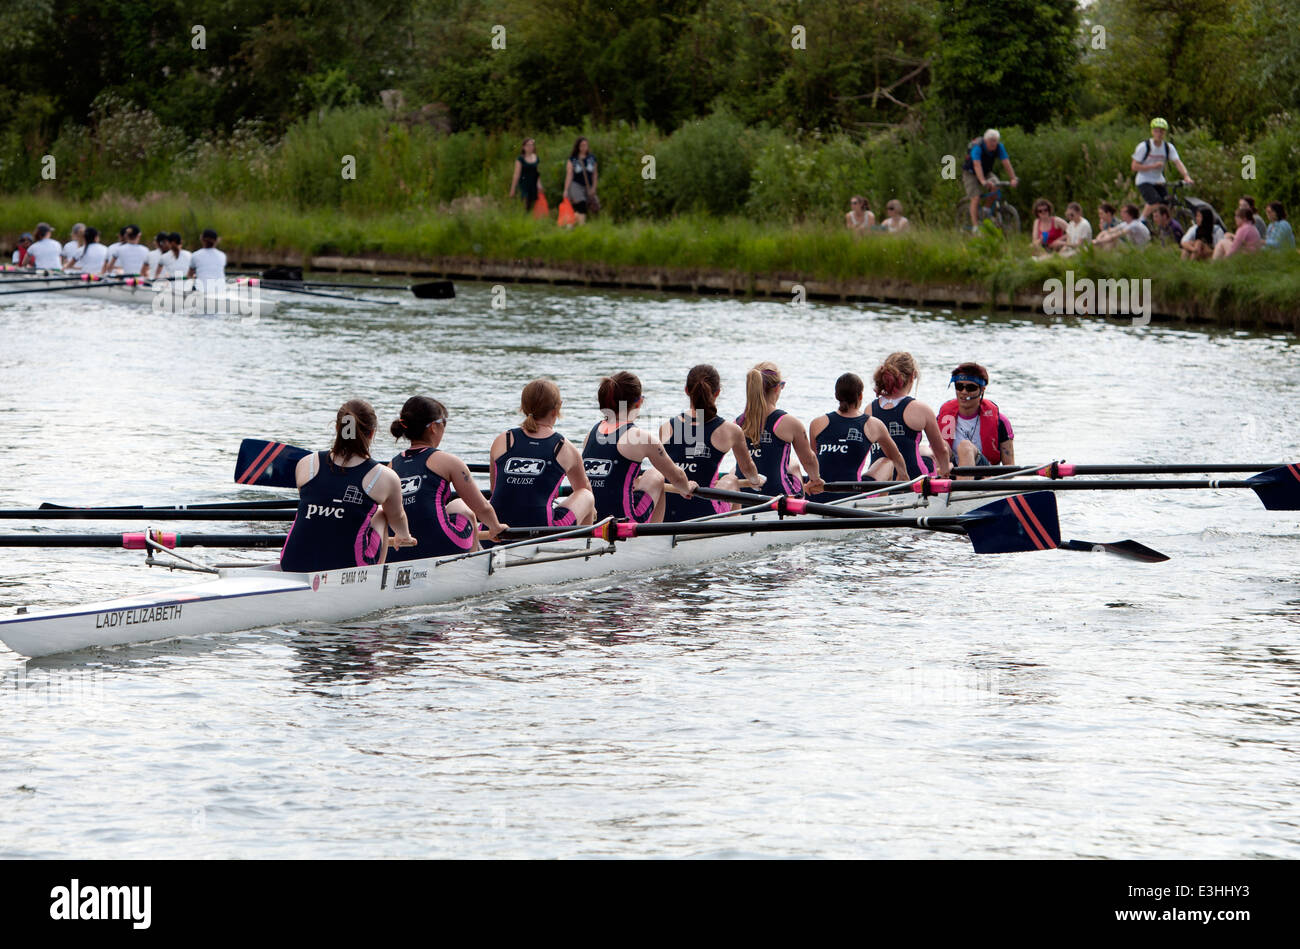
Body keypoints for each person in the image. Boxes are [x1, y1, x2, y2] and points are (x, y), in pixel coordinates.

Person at [279, 399, 415, 573]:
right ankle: (374, 581)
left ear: (337, 428)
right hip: (349, 567)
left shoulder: (307, 463)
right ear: (372, 433)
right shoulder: (385, 476)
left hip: (292, 563)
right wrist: (404, 536)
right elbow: (398, 517)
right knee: (382, 515)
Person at [388, 396, 504, 558]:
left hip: (398, 550)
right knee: (459, 505)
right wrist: (495, 527)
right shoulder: (448, 462)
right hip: (441, 546)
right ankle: (473, 565)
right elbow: (481, 507)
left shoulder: (391, 466)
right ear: (434, 427)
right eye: (444, 422)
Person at [583, 371, 696, 522]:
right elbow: (677, 477)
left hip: (592, 521)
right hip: (624, 523)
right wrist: (686, 487)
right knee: (656, 475)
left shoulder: (591, 434)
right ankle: (655, 539)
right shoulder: (640, 437)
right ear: (639, 402)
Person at [658, 364, 763, 522]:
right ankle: (733, 534)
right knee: (731, 480)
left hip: (668, 512)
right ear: (717, 392)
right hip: (704, 514)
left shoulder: (666, 427)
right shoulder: (730, 430)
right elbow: (747, 469)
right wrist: (755, 482)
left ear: (686, 390)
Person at [488, 379, 595, 529]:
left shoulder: (502, 440)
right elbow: (583, 488)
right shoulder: (565, 447)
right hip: (543, 535)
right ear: (557, 409)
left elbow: (494, 490)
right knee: (587, 496)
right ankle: (587, 546)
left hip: (494, 531)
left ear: (523, 407)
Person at [807, 372, 907, 502]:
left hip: (818, 497)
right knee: (887, 462)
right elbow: (896, 457)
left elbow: (812, 461)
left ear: (837, 396)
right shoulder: (873, 424)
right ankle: (881, 512)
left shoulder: (817, 423)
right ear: (860, 396)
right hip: (854, 497)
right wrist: (904, 479)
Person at [736, 362, 825, 498]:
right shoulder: (789, 422)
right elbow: (809, 460)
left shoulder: (736, 423)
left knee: (732, 472)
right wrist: (816, 480)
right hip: (777, 496)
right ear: (778, 387)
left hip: (743, 496)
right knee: (794, 465)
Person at [865, 351, 951, 480]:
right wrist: (945, 473)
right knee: (929, 454)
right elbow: (941, 450)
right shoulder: (921, 409)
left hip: (880, 482)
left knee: (923, 450)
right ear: (913, 376)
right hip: (914, 480)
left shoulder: (869, 409)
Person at [936, 362, 1015, 477]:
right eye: (959, 386)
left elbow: (1010, 468)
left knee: (965, 447)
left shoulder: (1000, 421)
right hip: (950, 472)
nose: (964, 392)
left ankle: (963, 493)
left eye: (970, 388)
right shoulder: (944, 417)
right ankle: (938, 487)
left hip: (985, 475)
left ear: (982, 390)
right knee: (939, 445)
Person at [1131, 117, 1193, 220]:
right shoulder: (1144, 146)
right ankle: (1142, 220)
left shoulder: (1168, 148)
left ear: (1165, 133)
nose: (1159, 134)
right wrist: (1152, 166)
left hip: (1159, 181)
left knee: (1167, 206)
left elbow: (1178, 162)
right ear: (1152, 132)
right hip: (1144, 180)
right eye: (1156, 131)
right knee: (1156, 203)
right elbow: (1134, 166)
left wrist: (1186, 176)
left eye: (1162, 131)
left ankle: (1165, 229)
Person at [963, 129, 1020, 228]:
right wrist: (983, 181)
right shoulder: (978, 147)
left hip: (986, 172)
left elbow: (1006, 162)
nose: (994, 143)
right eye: (991, 141)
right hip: (970, 173)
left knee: (996, 186)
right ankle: (975, 227)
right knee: (975, 197)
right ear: (986, 141)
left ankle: (986, 210)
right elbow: (977, 165)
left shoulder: (999, 147)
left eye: (996, 141)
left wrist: (1013, 178)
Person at [563, 137, 598, 225]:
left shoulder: (592, 158)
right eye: (582, 145)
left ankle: (571, 223)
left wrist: (594, 187)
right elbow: (569, 174)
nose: (584, 147)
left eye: (585, 145)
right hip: (576, 185)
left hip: (588, 186)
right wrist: (566, 190)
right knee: (581, 204)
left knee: (593, 206)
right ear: (578, 146)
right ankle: (582, 227)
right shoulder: (573, 159)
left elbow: (595, 174)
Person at [508, 137, 545, 213]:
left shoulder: (536, 158)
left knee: (532, 203)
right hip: (524, 183)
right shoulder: (520, 159)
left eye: (532, 145)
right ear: (524, 147)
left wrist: (539, 185)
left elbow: (537, 173)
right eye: (528, 145)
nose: (530, 147)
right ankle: (522, 218)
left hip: (533, 183)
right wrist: (513, 189)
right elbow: (516, 175)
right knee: (524, 201)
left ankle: (530, 219)